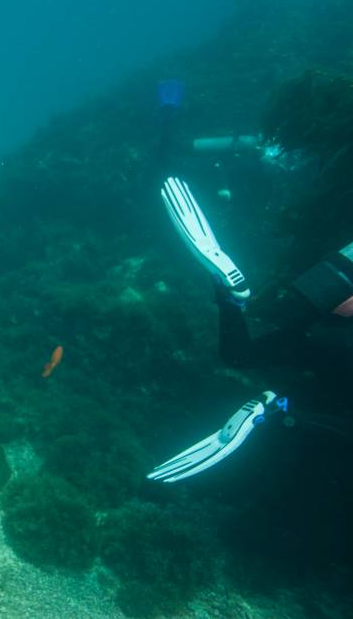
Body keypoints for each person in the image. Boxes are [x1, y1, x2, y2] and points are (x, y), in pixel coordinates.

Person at [148, 176, 353, 482]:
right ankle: (276, 411)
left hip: (325, 312)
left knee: (242, 355)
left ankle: (231, 297)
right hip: (338, 346)